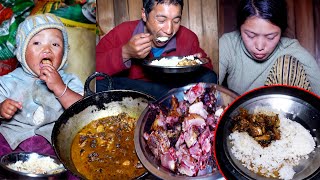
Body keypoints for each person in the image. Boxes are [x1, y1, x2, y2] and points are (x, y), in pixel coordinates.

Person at [0, 13, 83, 161]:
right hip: (11, 139)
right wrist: (2, 108)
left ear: (64, 53)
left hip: (52, 143)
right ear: (22, 52)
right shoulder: (9, 80)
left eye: (55, 44)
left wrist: (60, 88)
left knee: (76, 157)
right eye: (37, 43)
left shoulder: (68, 81)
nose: (47, 50)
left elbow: (83, 111)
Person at [96, 0, 217, 99]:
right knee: (99, 85)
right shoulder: (122, 32)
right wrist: (124, 53)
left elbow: (207, 70)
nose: (169, 30)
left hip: (173, 90)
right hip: (134, 93)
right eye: (161, 20)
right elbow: (94, 67)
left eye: (176, 21)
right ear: (144, 14)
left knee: (209, 76)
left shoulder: (188, 37)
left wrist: (195, 65)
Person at [219, 0, 320, 96]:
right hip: (239, 111)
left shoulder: (292, 50)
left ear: (281, 32)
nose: (259, 46)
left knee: (287, 65)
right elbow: (208, 88)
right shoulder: (229, 44)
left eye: (270, 37)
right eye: (250, 35)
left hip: (280, 111)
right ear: (240, 28)